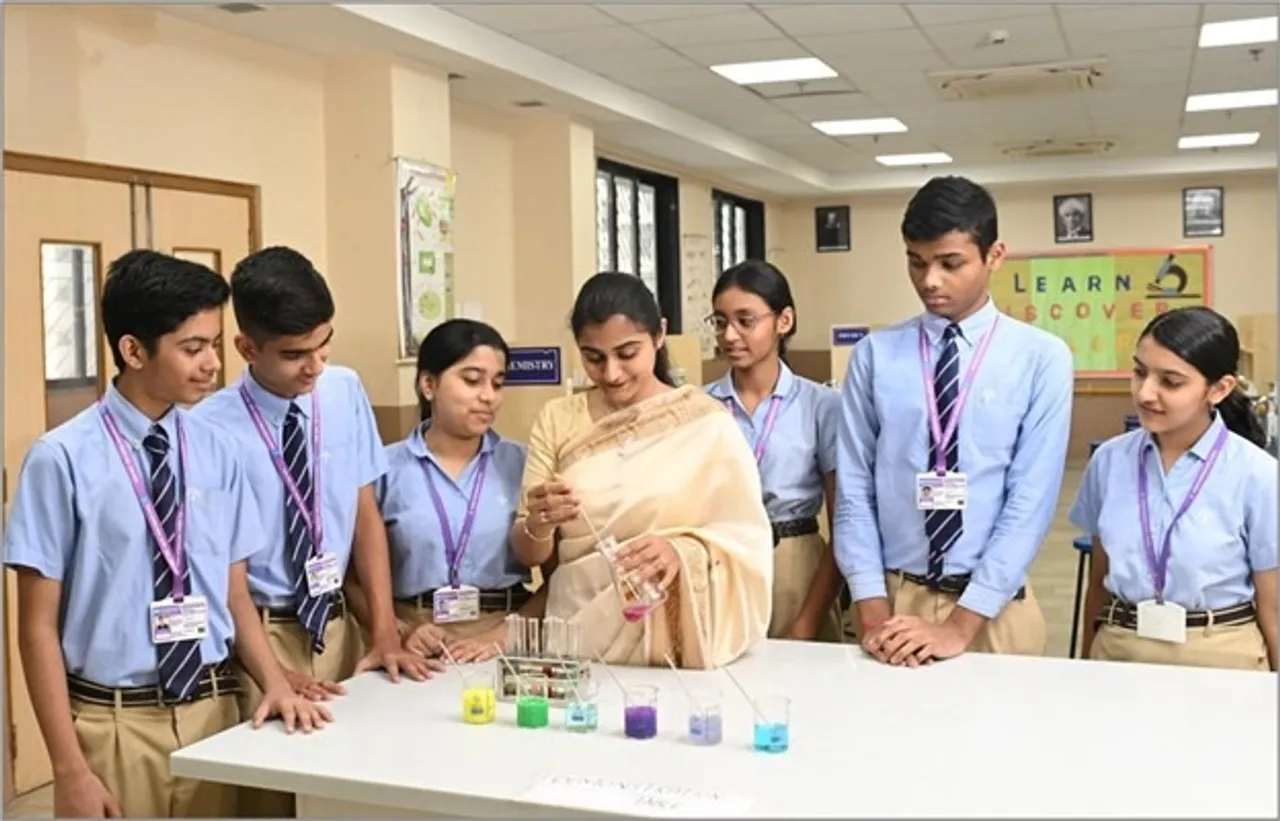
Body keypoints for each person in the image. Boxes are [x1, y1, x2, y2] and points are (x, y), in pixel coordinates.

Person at [4, 250, 329, 819]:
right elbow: (36, 626)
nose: (211, 364)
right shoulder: (62, 460)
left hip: (214, 711)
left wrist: (274, 682)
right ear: (133, 350)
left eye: (212, 344)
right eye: (192, 347)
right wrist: (68, 769)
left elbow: (234, 594)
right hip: (116, 726)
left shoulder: (218, 451)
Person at [192, 247, 435, 816]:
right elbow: (223, 570)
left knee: (357, 790)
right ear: (246, 348)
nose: (314, 368)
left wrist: (384, 630)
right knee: (277, 799)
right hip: (264, 634)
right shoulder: (208, 428)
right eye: (295, 354)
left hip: (340, 623)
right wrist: (271, 673)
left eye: (324, 346)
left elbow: (365, 513)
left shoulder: (344, 391)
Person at [835, 175, 1074, 666]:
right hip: (893, 600)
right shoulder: (875, 355)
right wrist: (872, 606)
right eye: (916, 262)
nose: (930, 281)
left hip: (995, 607)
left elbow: (1030, 500)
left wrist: (961, 626)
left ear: (994, 256)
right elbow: (854, 490)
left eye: (951, 263)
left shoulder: (1041, 358)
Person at [511, 272, 773, 668]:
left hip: (674, 641)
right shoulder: (558, 419)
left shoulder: (705, 424)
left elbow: (744, 537)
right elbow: (528, 551)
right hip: (579, 637)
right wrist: (540, 524)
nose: (612, 373)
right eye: (594, 358)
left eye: (627, 353)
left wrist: (681, 551)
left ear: (659, 334)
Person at [1069, 307, 1277, 670]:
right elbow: (1098, 584)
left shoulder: (1256, 474)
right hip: (1120, 649)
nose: (1146, 393)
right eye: (1139, 373)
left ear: (1220, 389)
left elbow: (1273, 604)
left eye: (1171, 381)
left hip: (1221, 655)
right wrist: (1086, 665)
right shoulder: (1109, 461)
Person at [378, 319, 545, 663]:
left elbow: (560, 578)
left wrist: (500, 637)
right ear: (428, 384)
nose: (488, 397)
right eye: (471, 381)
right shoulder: (384, 469)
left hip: (503, 633)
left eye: (498, 384)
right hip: (412, 639)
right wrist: (401, 630)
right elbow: (355, 578)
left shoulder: (522, 465)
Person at [704, 260, 843, 642]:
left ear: (784, 321)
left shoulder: (822, 406)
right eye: (719, 322)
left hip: (795, 562)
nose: (730, 335)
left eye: (745, 321)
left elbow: (843, 524)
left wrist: (808, 620)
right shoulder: (700, 408)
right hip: (722, 563)